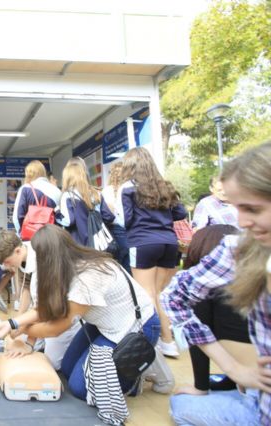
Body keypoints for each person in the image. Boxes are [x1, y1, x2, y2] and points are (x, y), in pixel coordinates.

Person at [162, 141, 271, 426]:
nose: (242, 221)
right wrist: (234, 369)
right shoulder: (239, 250)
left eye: (253, 209)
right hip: (261, 407)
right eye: (236, 208)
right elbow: (174, 297)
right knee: (180, 403)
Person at [0, 225, 160, 399]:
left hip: (133, 329)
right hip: (103, 324)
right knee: (67, 368)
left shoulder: (86, 277)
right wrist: (13, 323)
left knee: (80, 388)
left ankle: (135, 373)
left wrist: (23, 329)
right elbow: (47, 307)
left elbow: (57, 327)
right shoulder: (68, 265)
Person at [116, 147, 187, 358]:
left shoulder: (127, 188)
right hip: (169, 243)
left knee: (147, 294)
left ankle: (153, 342)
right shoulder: (163, 186)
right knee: (159, 294)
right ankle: (169, 341)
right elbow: (181, 212)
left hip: (143, 243)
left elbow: (125, 220)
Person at [173, 225, 249, 396]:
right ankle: (232, 381)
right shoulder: (255, 279)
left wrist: (200, 387)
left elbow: (197, 338)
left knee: (180, 405)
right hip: (250, 367)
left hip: (256, 384)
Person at [0, 229, 81, 370]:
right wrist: (19, 320)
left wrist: (25, 336)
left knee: (52, 362)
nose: (7, 267)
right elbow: (26, 289)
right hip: (44, 310)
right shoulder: (23, 257)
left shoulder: (43, 262)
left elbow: (43, 309)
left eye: (7, 262)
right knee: (19, 340)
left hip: (62, 314)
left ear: (18, 251)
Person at [59, 157, 114, 246]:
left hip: (79, 246)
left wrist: (57, 213)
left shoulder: (68, 195)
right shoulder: (96, 192)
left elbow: (68, 221)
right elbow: (108, 217)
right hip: (100, 244)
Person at [12, 160, 61, 234]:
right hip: (53, 238)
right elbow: (61, 218)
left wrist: (20, 234)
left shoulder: (25, 189)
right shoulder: (57, 191)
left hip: (30, 237)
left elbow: (17, 217)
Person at [101, 161, 131, 272]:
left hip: (111, 232)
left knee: (116, 265)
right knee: (129, 265)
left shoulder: (105, 191)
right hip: (129, 231)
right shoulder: (128, 190)